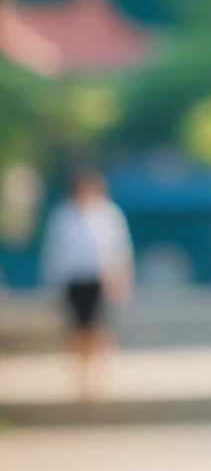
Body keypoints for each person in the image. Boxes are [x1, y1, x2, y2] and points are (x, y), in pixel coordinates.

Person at [39, 165, 134, 400]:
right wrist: (52, 286)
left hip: (101, 279)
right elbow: (54, 252)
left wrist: (122, 280)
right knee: (77, 331)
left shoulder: (109, 214)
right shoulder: (63, 216)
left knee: (99, 330)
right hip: (74, 279)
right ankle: (81, 379)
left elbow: (120, 250)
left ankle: (98, 379)